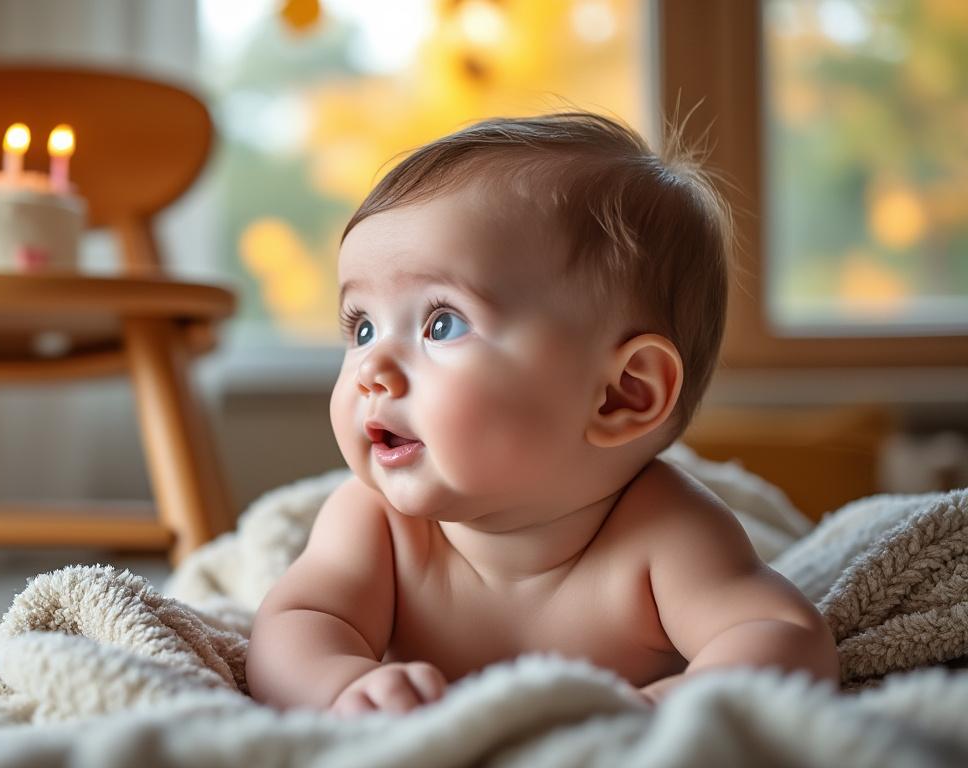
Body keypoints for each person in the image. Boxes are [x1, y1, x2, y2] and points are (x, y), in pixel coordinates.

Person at [245, 113, 839, 715]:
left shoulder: (665, 531)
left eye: (441, 323)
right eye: (363, 326)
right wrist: (342, 686)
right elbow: (292, 626)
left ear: (622, 395)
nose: (372, 370)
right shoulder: (377, 524)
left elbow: (784, 637)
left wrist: (663, 708)